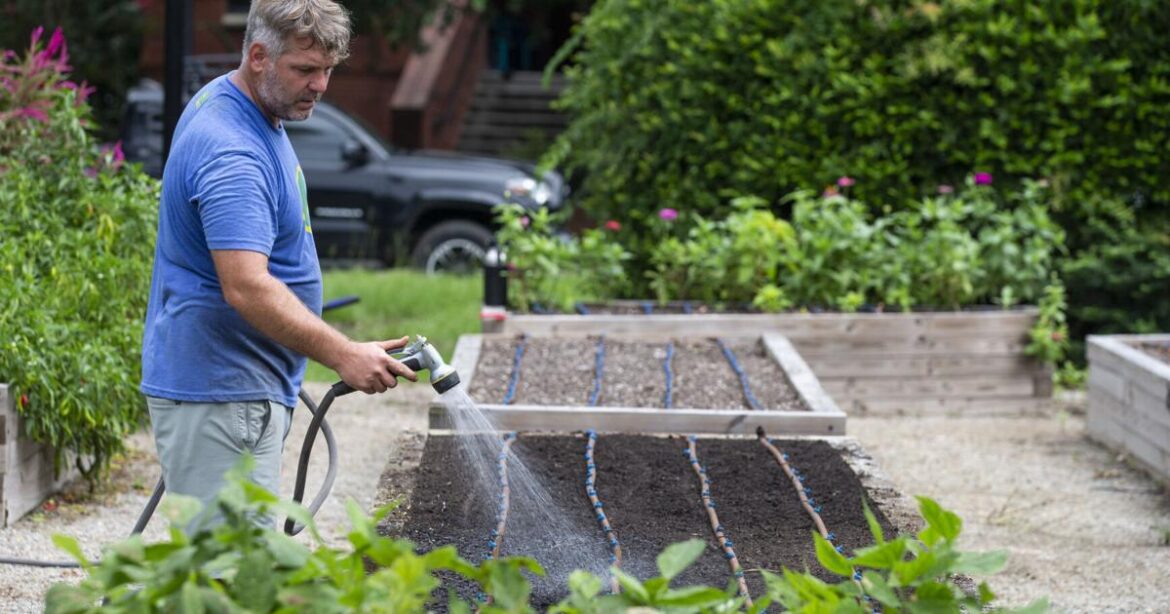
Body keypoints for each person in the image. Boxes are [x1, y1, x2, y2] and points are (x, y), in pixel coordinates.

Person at [140, 0, 416, 528]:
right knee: (231, 584)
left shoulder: (240, 105)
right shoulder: (232, 152)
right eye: (305, 70)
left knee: (229, 574)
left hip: (231, 389)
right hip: (223, 395)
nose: (320, 86)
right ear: (260, 56)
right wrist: (342, 353)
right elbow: (245, 287)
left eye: (329, 71)